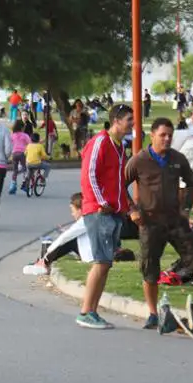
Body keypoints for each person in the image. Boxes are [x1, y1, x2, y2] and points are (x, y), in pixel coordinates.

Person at [125, 117, 193, 329]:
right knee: (149, 267)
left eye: (170, 135)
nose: (167, 139)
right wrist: (132, 210)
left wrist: (186, 207)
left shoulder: (177, 158)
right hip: (150, 222)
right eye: (162, 135)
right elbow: (119, 186)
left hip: (175, 220)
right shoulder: (139, 160)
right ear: (152, 135)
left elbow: (191, 182)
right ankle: (153, 313)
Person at [76, 104, 134, 329]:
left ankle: (92, 310)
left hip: (114, 211)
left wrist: (127, 205)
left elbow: (118, 181)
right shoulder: (100, 141)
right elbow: (89, 174)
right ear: (116, 120)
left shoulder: (120, 146)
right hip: (99, 211)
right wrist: (101, 202)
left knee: (106, 263)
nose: (132, 124)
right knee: (101, 262)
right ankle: (85, 311)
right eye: (128, 120)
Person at [9, 120, 30, 194]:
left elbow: (10, 144)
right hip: (22, 154)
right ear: (21, 127)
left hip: (14, 154)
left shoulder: (12, 135)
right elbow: (30, 144)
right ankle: (25, 184)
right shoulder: (25, 135)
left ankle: (13, 185)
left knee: (15, 170)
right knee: (25, 169)